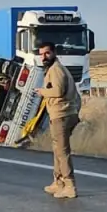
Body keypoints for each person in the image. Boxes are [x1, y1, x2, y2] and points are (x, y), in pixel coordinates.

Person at [35, 41, 81, 199]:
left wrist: (42, 91)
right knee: (58, 150)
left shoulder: (56, 70)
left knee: (62, 151)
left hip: (62, 114)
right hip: (63, 113)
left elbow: (58, 90)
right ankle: (58, 182)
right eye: (41, 54)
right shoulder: (55, 69)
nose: (44, 57)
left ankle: (70, 185)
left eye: (47, 53)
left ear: (54, 52)